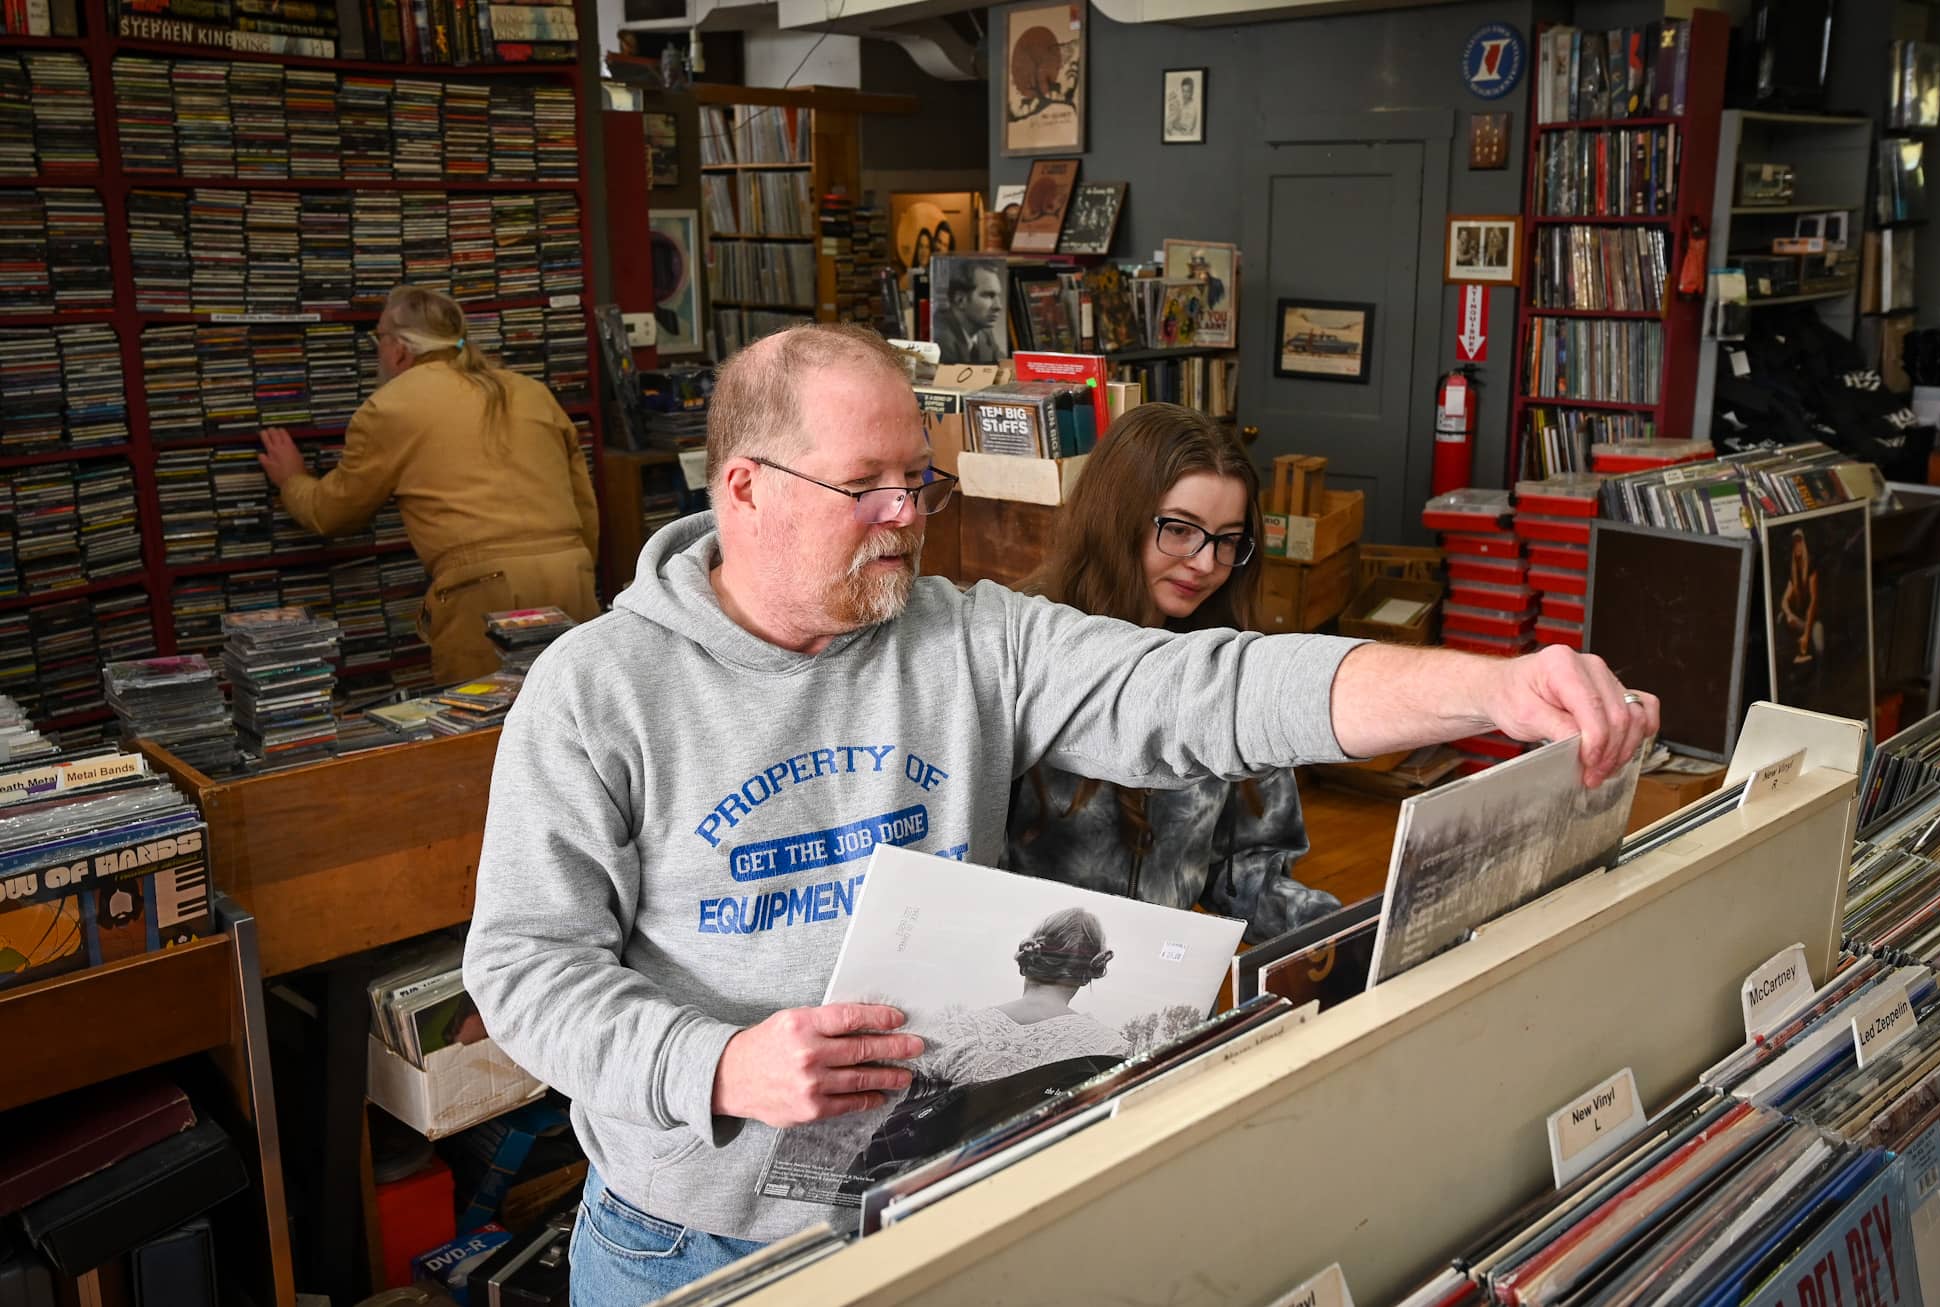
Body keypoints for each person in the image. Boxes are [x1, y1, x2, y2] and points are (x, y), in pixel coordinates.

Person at [462, 323, 1658, 1302]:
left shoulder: (968, 634)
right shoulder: (598, 687)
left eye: (916, 478)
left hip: (931, 1205)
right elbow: (522, 965)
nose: (907, 513)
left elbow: (1207, 686)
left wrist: (1490, 685)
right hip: (692, 1241)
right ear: (747, 490)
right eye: (864, 484)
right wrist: (714, 1060)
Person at [1007, 404, 1336, 943]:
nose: (1206, 564)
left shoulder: (1229, 667)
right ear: (1119, 517)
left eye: (1227, 540)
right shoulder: (1019, 647)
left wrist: (1354, 931)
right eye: (1180, 530)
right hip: (1024, 983)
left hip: (1168, 993)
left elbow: (1243, 873)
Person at [255, 285, 601, 684]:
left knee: (487, 734)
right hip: (571, 579)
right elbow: (584, 505)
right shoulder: (533, 392)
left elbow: (332, 513)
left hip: (482, 595)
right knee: (581, 722)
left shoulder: (390, 407)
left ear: (399, 349)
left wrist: (291, 479)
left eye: (379, 338)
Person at [842, 907, 1128, 1191]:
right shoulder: (1109, 1049)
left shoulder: (955, 1033)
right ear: (1088, 973)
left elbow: (898, 1128)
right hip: (1037, 1195)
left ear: (1029, 960)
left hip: (927, 1196)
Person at [932, 260, 1003, 364]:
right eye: (988, 295)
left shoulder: (984, 334)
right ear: (960, 300)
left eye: (997, 296)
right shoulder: (941, 338)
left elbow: (1004, 366)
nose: (998, 306)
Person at [1779, 528, 1822, 665]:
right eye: (1794, 543)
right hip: (1801, 621)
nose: (1797, 546)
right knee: (1782, 617)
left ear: (1804, 544)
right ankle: (1795, 655)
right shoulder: (1794, 569)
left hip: (1813, 620)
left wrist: (1806, 635)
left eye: (1799, 542)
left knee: (1819, 643)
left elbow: (1813, 603)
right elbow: (1785, 599)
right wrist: (1789, 614)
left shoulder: (1811, 565)